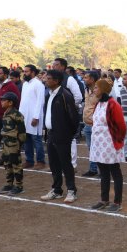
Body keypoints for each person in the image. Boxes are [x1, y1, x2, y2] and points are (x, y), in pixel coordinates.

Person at [40, 70, 80, 203]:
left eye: (48, 78)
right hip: (51, 134)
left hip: (63, 135)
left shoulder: (65, 95)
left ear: (56, 81)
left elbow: (73, 117)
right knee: (54, 163)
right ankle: (57, 190)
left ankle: (71, 190)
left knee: (65, 163)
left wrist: (69, 133)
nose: (45, 80)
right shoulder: (48, 94)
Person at [88, 78, 127, 212]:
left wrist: (118, 140)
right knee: (103, 173)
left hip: (110, 143)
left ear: (103, 89)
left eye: (97, 88)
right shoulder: (99, 104)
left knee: (115, 172)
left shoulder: (113, 104)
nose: (94, 90)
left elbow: (121, 126)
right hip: (98, 144)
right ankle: (104, 199)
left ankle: (117, 202)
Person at [0, 92, 26, 195]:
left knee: (16, 164)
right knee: (7, 163)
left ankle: (19, 186)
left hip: (13, 143)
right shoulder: (6, 113)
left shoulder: (17, 115)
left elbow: (22, 132)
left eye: (4, 100)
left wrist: (19, 144)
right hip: (6, 143)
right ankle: (9, 184)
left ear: (10, 103)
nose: (1, 101)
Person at [19, 65, 46, 169]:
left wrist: (36, 117)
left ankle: (40, 161)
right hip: (25, 116)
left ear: (33, 72)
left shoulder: (38, 84)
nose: (24, 73)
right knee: (27, 139)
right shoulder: (25, 84)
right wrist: (20, 116)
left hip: (35, 117)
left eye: (26, 72)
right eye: (24, 71)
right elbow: (23, 101)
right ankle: (29, 160)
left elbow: (40, 102)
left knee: (37, 139)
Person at [0, 66, 20, 157]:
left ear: (5, 75)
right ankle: (4, 158)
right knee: (0, 139)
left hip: (8, 117)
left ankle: (9, 158)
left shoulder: (11, 85)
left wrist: (12, 114)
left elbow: (17, 100)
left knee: (8, 139)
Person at [81, 70, 101, 177]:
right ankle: (93, 169)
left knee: (99, 147)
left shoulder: (100, 91)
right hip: (87, 124)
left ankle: (102, 170)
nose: (84, 79)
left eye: (86, 77)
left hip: (97, 125)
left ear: (92, 79)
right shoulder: (87, 90)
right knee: (91, 148)